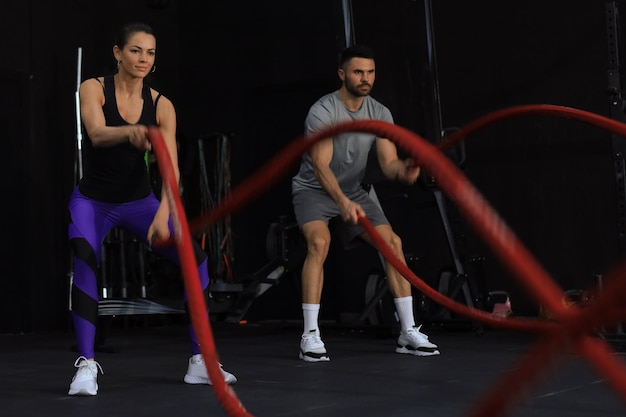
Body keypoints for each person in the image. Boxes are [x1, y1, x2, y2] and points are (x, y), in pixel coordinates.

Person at [67, 22, 236, 396]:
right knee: (84, 255)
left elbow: (171, 168)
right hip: (93, 202)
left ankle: (200, 362)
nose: (143, 59)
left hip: (140, 203)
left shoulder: (162, 105)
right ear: (117, 53)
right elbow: (95, 133)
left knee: (197, 259)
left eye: (150, 52)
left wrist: (164, 212)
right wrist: (129, 133)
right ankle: (86, 364)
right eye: (135, 51)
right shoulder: (93, 88)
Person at [291, 44, 440, 362]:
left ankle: (408, 331)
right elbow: (320, 165)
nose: (365, 78)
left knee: (392, 243)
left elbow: (389, 164)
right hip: (314, 189)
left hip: (356, 190)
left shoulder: (380, 113)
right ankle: (310, 336)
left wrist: (406, 170)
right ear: (342, 74)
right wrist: (342, 202)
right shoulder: (324, 111)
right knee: (319, 242)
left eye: (370, 72)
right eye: (358, 72)